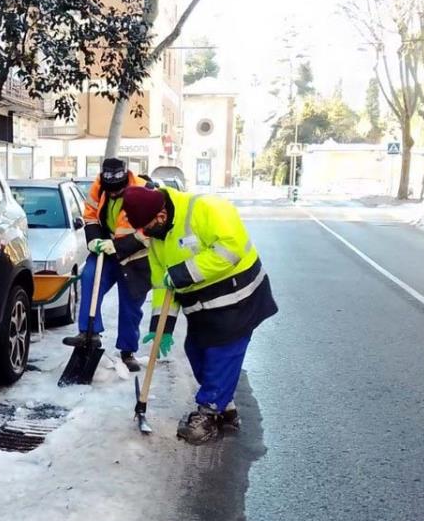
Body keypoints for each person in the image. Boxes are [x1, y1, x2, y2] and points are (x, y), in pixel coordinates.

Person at [120, 184, 278, 444]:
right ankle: (224, 410)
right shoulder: (157, 239)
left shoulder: (205, 208)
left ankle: (209, 411)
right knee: (195, 349)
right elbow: (163, 285)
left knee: (222, 352)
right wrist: (162, 326)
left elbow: (232, 248)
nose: (146, 235)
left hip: (240, 296)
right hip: (203, 304)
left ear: (160, 216)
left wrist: (182, 273)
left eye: (147, 228)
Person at [63, 158, 152, 373]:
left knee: (130, 305)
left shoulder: (145, 191)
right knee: (89, 277)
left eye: (117, 191)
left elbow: (148, 231)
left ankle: (127, 351)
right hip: (106, 249)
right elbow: (90, 216)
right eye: (109, 190)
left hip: (136, 256)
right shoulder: (99, 187)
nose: (113, 194)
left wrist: (119, 245)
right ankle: (88, 332)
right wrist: (93, 237)